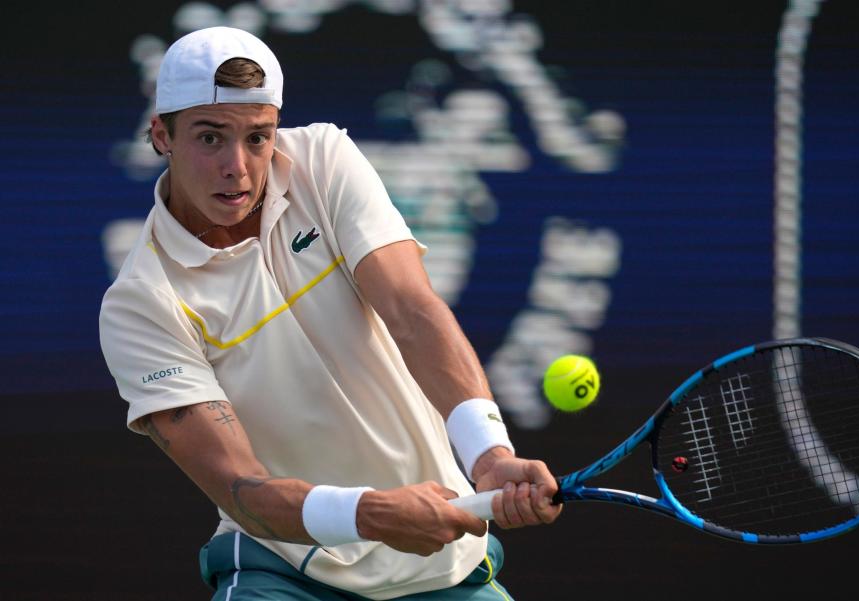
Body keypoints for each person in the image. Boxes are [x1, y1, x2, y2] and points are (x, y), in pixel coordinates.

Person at [99, 26, 561, 601]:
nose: (237, 167)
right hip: (285, 572)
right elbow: (241, 488)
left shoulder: (323, 158)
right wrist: (369, 513)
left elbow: (411, 309)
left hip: (443, 571)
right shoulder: (140, 304)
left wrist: (489, 453)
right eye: (210, 138)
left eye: (257, 138)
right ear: (161, 135)